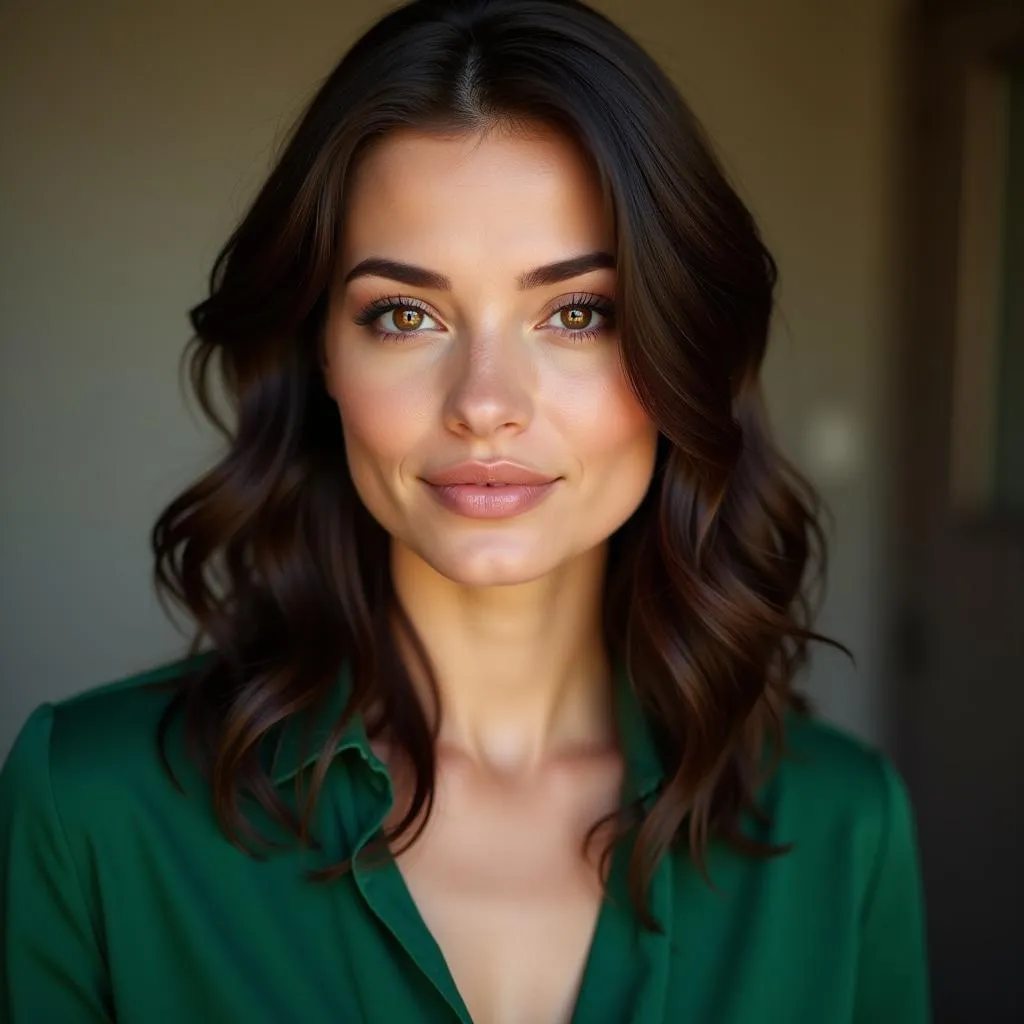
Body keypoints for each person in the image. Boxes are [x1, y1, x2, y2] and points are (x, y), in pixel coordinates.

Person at [0, 0, 931, 1021]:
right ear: (322, 353)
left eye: (578, 313)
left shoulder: (842, 825)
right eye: (405, 314)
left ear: (684, 353)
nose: (485, 400)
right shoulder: (90, 804)